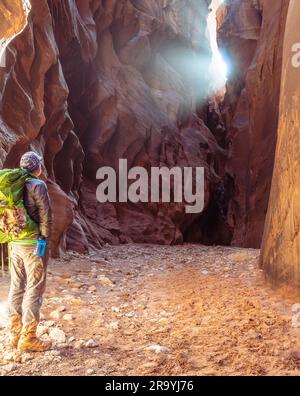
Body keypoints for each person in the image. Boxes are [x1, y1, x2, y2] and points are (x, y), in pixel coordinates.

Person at [8, 151, 52, 352]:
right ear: (37, 167)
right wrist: (43, 240)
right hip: (33, 243)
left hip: (14, 241)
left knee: (17, 284)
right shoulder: (38, 185)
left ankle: (15, 333)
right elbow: (45, 215)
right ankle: (29, 337)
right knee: (35, 286)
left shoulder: (12, 185)